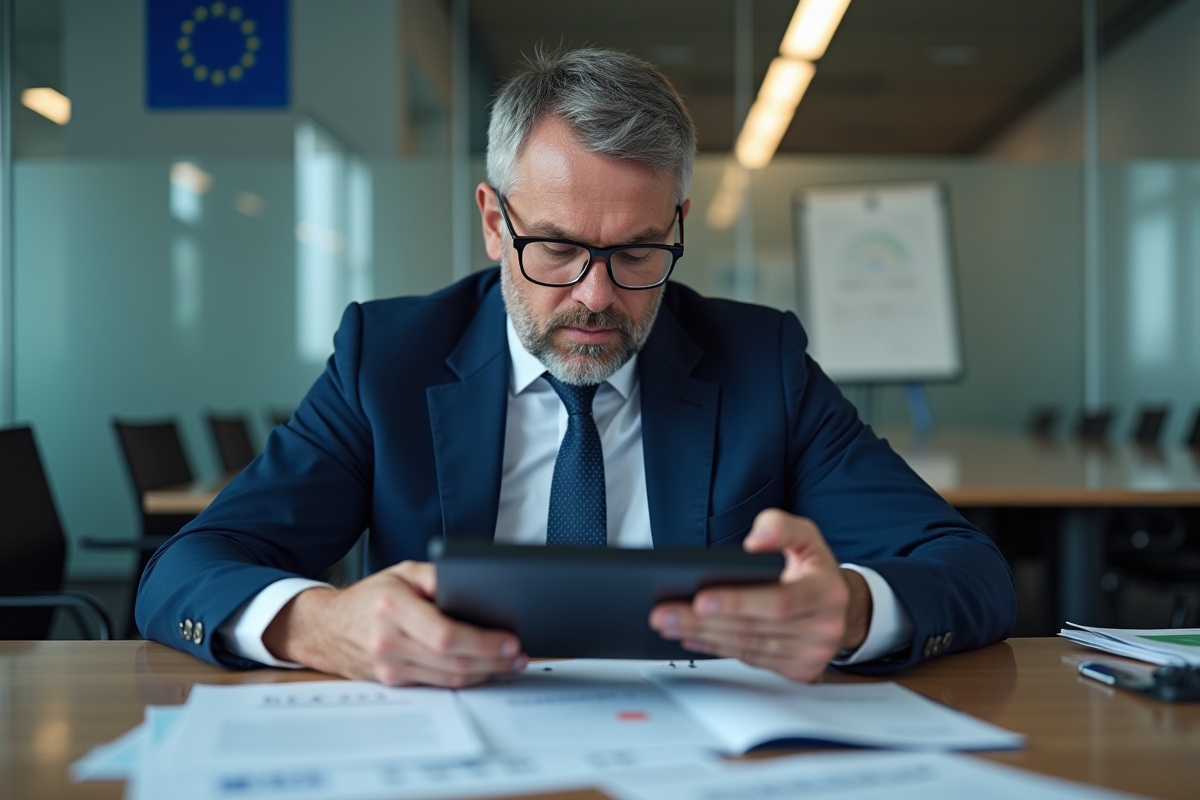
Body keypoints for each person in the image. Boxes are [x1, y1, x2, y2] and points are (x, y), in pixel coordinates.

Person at [136, 48, 1015, 687]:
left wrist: (851, 611)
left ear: (677, 222)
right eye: (554, 249)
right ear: (492, 221)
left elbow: (967, 570)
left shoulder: (762, 361)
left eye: (638, 252)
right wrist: (321, 624)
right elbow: (189, 567)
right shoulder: (389, 360)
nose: (596, 296)